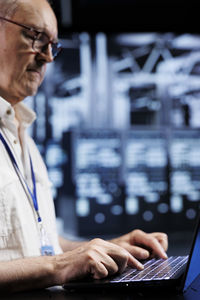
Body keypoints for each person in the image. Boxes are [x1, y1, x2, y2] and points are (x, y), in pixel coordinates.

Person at [0, 0, 168, 293]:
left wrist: (109, 248)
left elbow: (39, 244)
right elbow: (51, 263)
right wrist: (59, 267)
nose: (48, 57)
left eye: (53, 44)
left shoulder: (21, 131)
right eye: (35, 36)